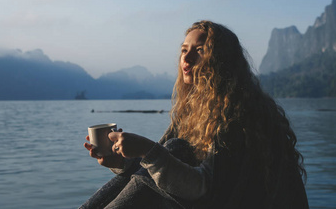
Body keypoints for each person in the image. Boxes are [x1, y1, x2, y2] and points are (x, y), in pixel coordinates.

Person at [81, 20, 309, 208]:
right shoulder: (191, 111)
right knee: (166, 152)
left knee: (174, 149)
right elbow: (151, 170)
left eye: (199, 51)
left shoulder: (240, 117)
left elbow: (203, 188)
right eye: (184, 50)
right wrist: (121, 162)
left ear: (221, 62)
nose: (186, 59)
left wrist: (146, 150)